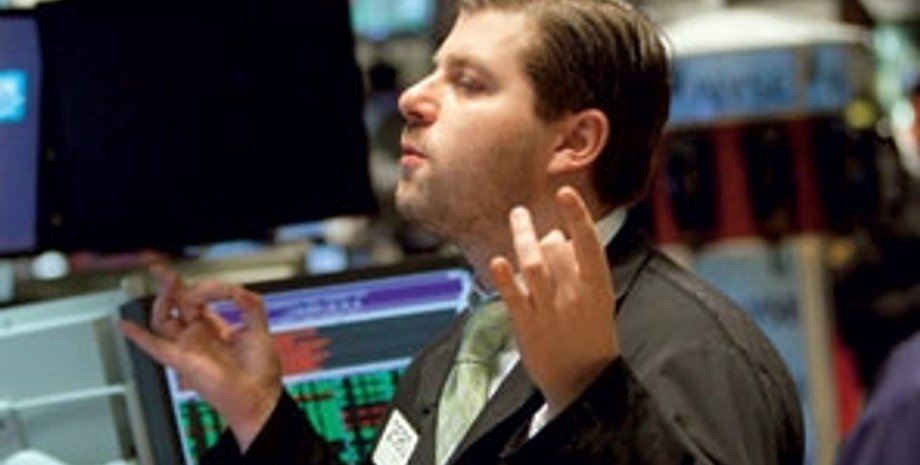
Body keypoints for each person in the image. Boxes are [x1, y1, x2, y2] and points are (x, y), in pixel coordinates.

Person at [121, 0, 804, 464]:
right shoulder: (461, 350)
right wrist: (260, 412)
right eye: (434, 70)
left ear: (574, 140)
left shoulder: (693, 353)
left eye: (470, 83)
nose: (413, 98)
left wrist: (589, 396)